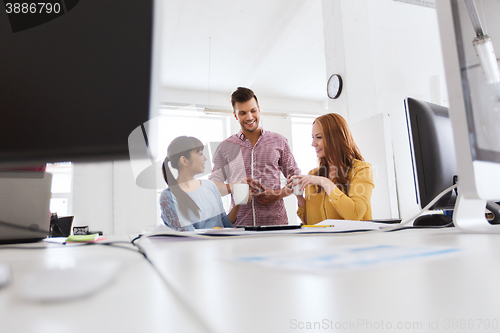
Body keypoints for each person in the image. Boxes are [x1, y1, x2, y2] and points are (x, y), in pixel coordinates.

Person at [209, 87, 301, 226]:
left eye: (253, 111)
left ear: (259, 109)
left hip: (276, 226)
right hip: (239, 226)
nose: (249, 117)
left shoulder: (279, 141)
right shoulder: (225, 147)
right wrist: (235, 186)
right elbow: (214, 188)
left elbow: (298, 180)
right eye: (243, 113)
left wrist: (278, 194)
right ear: (235, 115)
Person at [286, 113, 374, 224]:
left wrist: (325, 182)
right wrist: (299, 197)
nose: (313, 143)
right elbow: (310, 223)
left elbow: (354, 215)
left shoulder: (361, 170)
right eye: (313, 138)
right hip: (322, 241)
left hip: (354, 241)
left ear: (336, 138)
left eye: (318, 137)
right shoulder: (313, 174)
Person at [160, 136, 242, 231]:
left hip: (220, 244)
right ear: (184, 160)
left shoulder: (210, 186)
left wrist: (237, 203)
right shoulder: (168, 197)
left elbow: (224, 224)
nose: (205, 158)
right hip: (196, 245)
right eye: (200, 154)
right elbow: (187, 234)